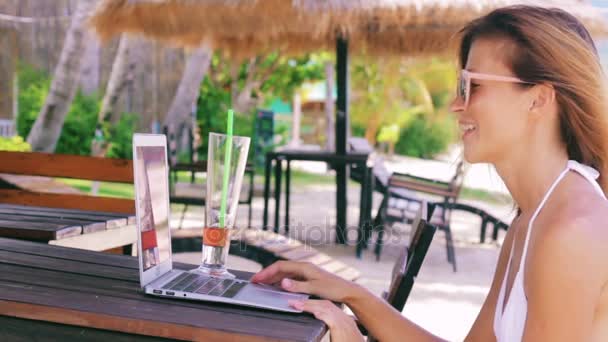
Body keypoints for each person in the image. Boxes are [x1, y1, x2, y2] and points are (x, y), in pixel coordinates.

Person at [251, 5, 608, 341]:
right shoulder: (532, 220)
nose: (456, 104)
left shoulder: (570, 233)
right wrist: (351, 294)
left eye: (472, 86)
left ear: (539, 99)